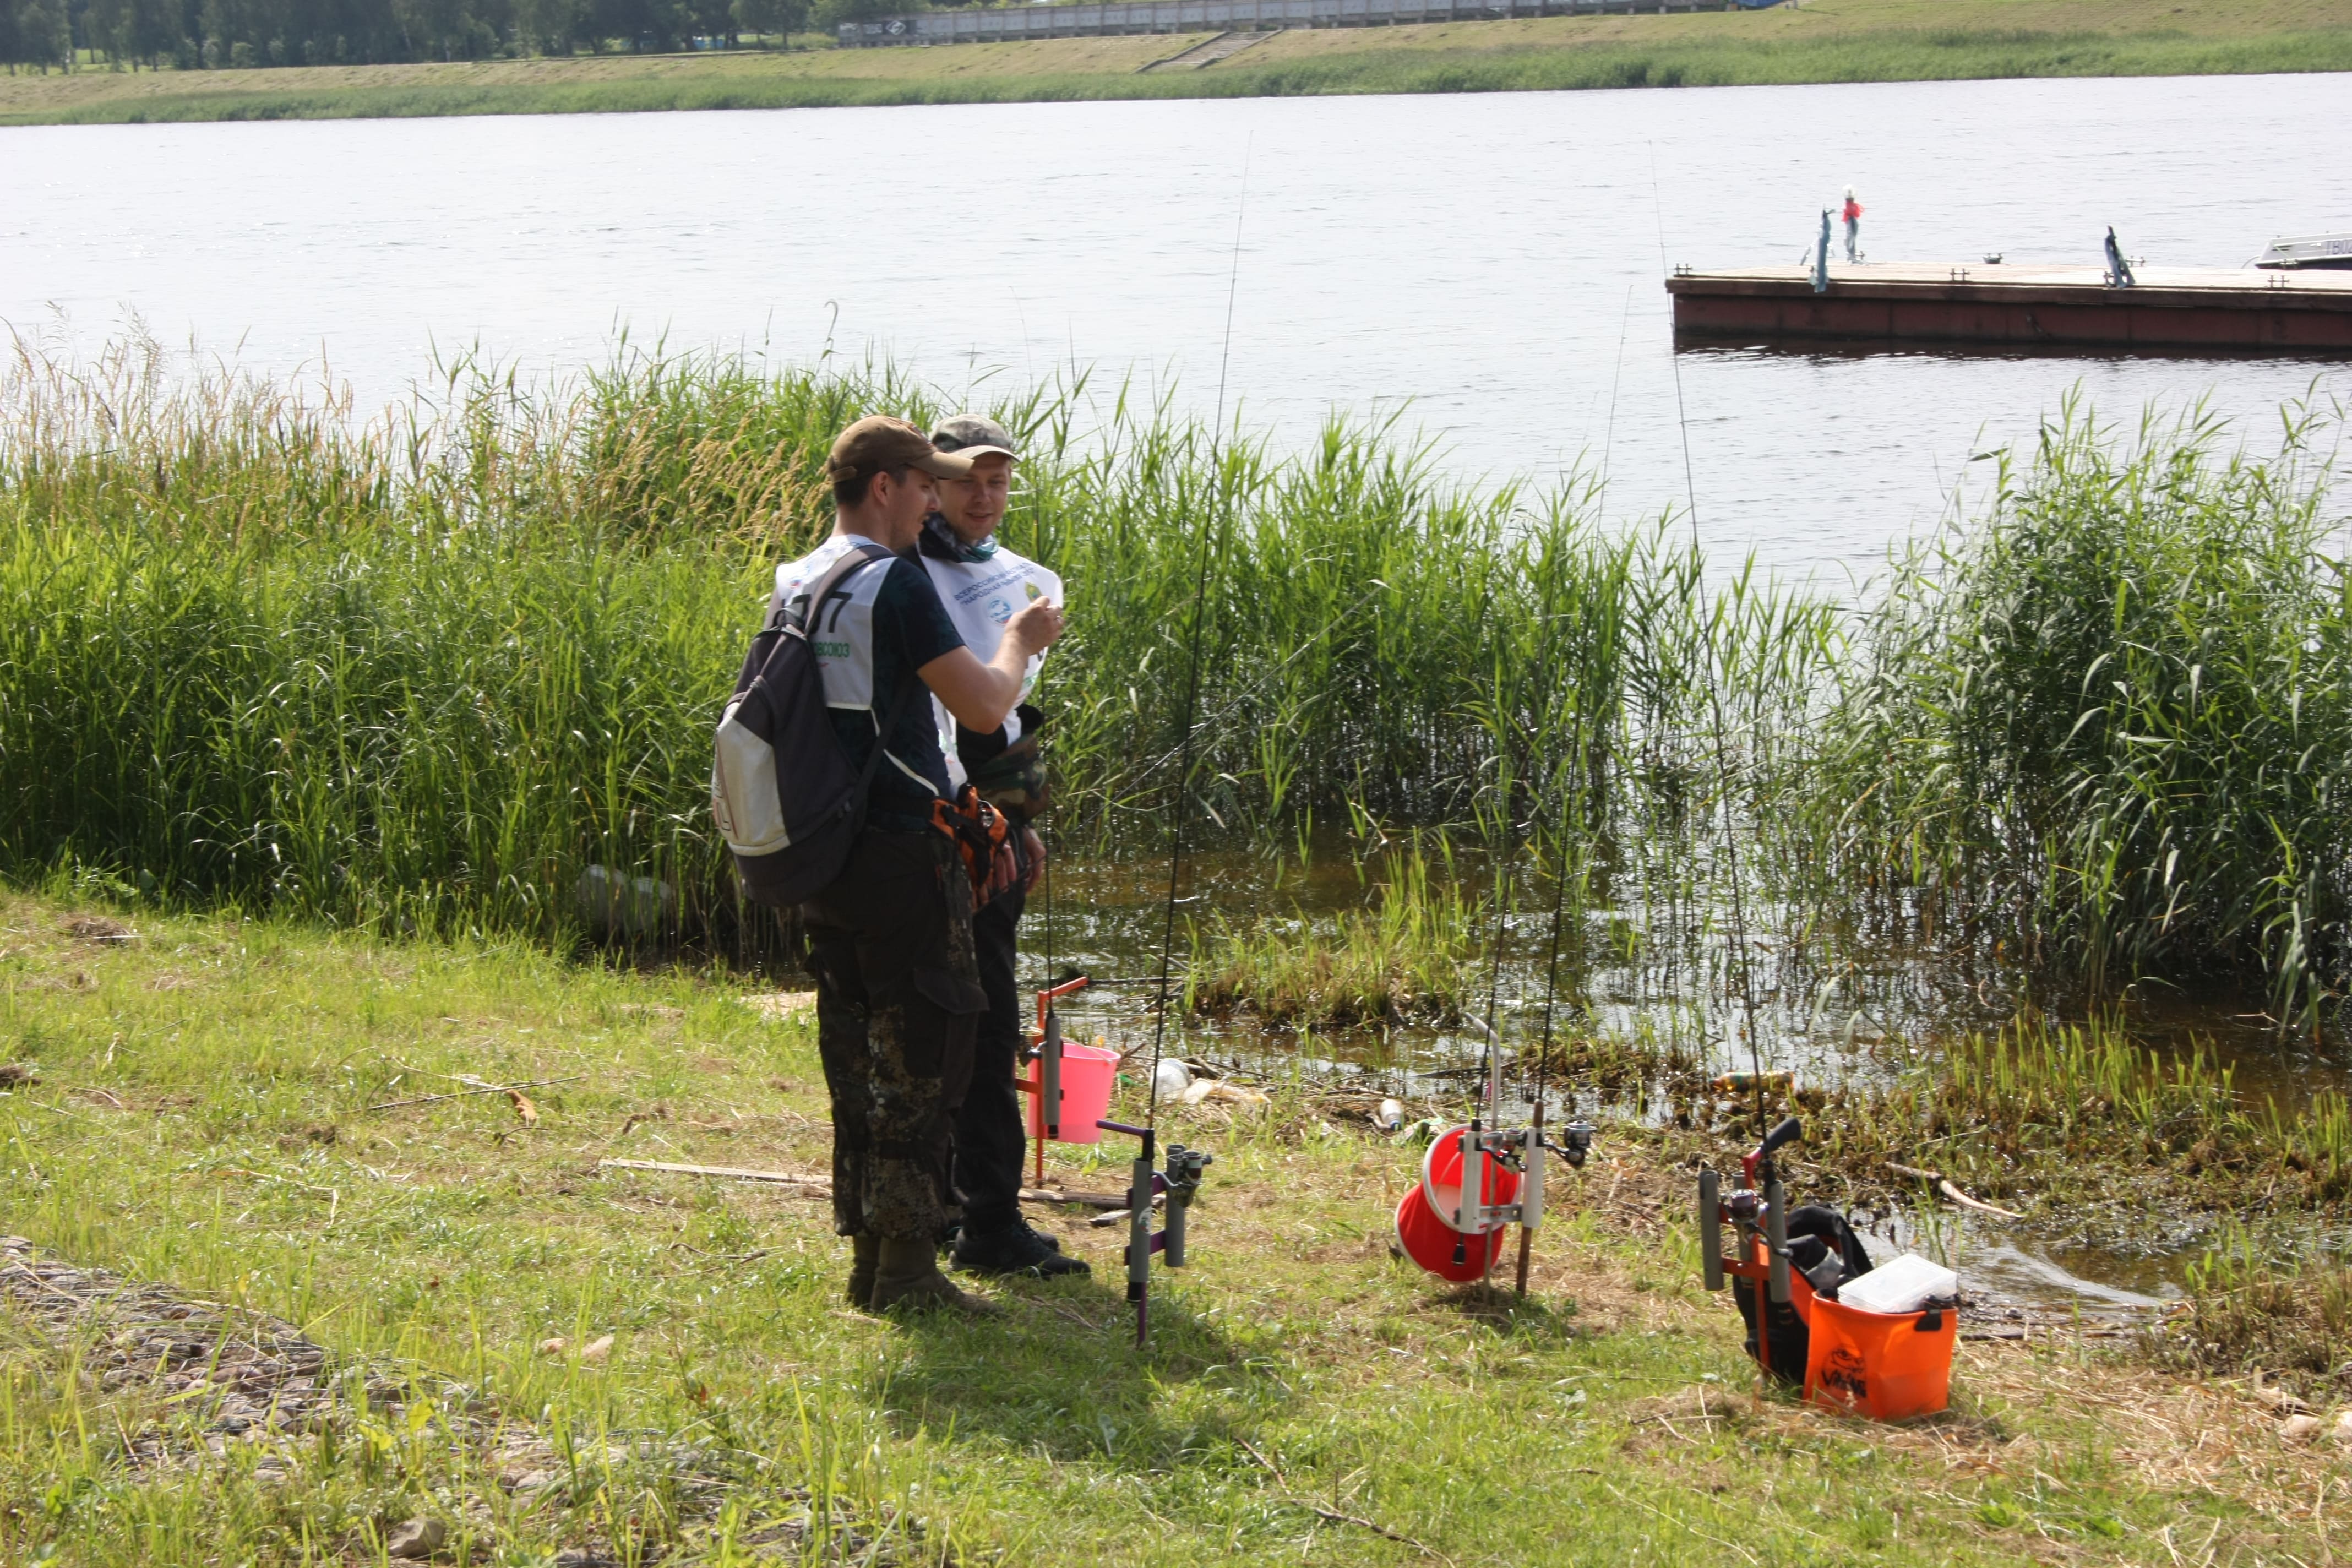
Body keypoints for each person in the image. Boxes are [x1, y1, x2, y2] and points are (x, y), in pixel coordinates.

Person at [787, 415, 1065, 1316]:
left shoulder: (801, 577)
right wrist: (1020, 641)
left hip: (823, 847)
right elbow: (985, 709)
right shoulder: (897, 583)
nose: (938, 500)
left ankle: (873, 1261)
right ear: (887, 488)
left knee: (857, 1054)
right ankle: (910, 1268)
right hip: (905, 852)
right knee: (922, 1057)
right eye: (927, 484)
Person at [914, 414, 1088, 1280]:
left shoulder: (1031, 582)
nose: (983, 498)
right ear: (927, 485)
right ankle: (983, 1217)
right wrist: (983, 824)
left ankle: (959, 1205)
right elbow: (963, 717)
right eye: (964, 482)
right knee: (973, 1018)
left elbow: (1008, 718)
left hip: (996, 815)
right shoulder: (903, 574)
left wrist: (1021, 826)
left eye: (998, 481)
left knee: (978, 1006)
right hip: (946, 813)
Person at [1841, 187, 1863, 264]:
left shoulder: (1852, 205)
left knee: (1853, 234)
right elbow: (1846, 210)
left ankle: (1852, 255)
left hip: (1853, 218)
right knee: (1850, 235)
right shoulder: (1847, 206)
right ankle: (1850, 256)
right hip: (1849, 219)